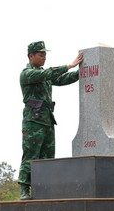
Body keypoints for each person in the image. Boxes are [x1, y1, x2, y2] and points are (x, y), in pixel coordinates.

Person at [18, 41, 83, 200]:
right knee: (31, 155)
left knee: (47, 156)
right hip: (33, 120)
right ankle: (24, 188)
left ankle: (44, 188)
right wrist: (70, 65)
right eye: (41, 55)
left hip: (47, 120)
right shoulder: (27, 74)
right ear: (31, 56)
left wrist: (83, 72)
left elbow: (62, 79)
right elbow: (48, 74)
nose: (44, 58)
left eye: (45, 55)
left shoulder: (44, 74)